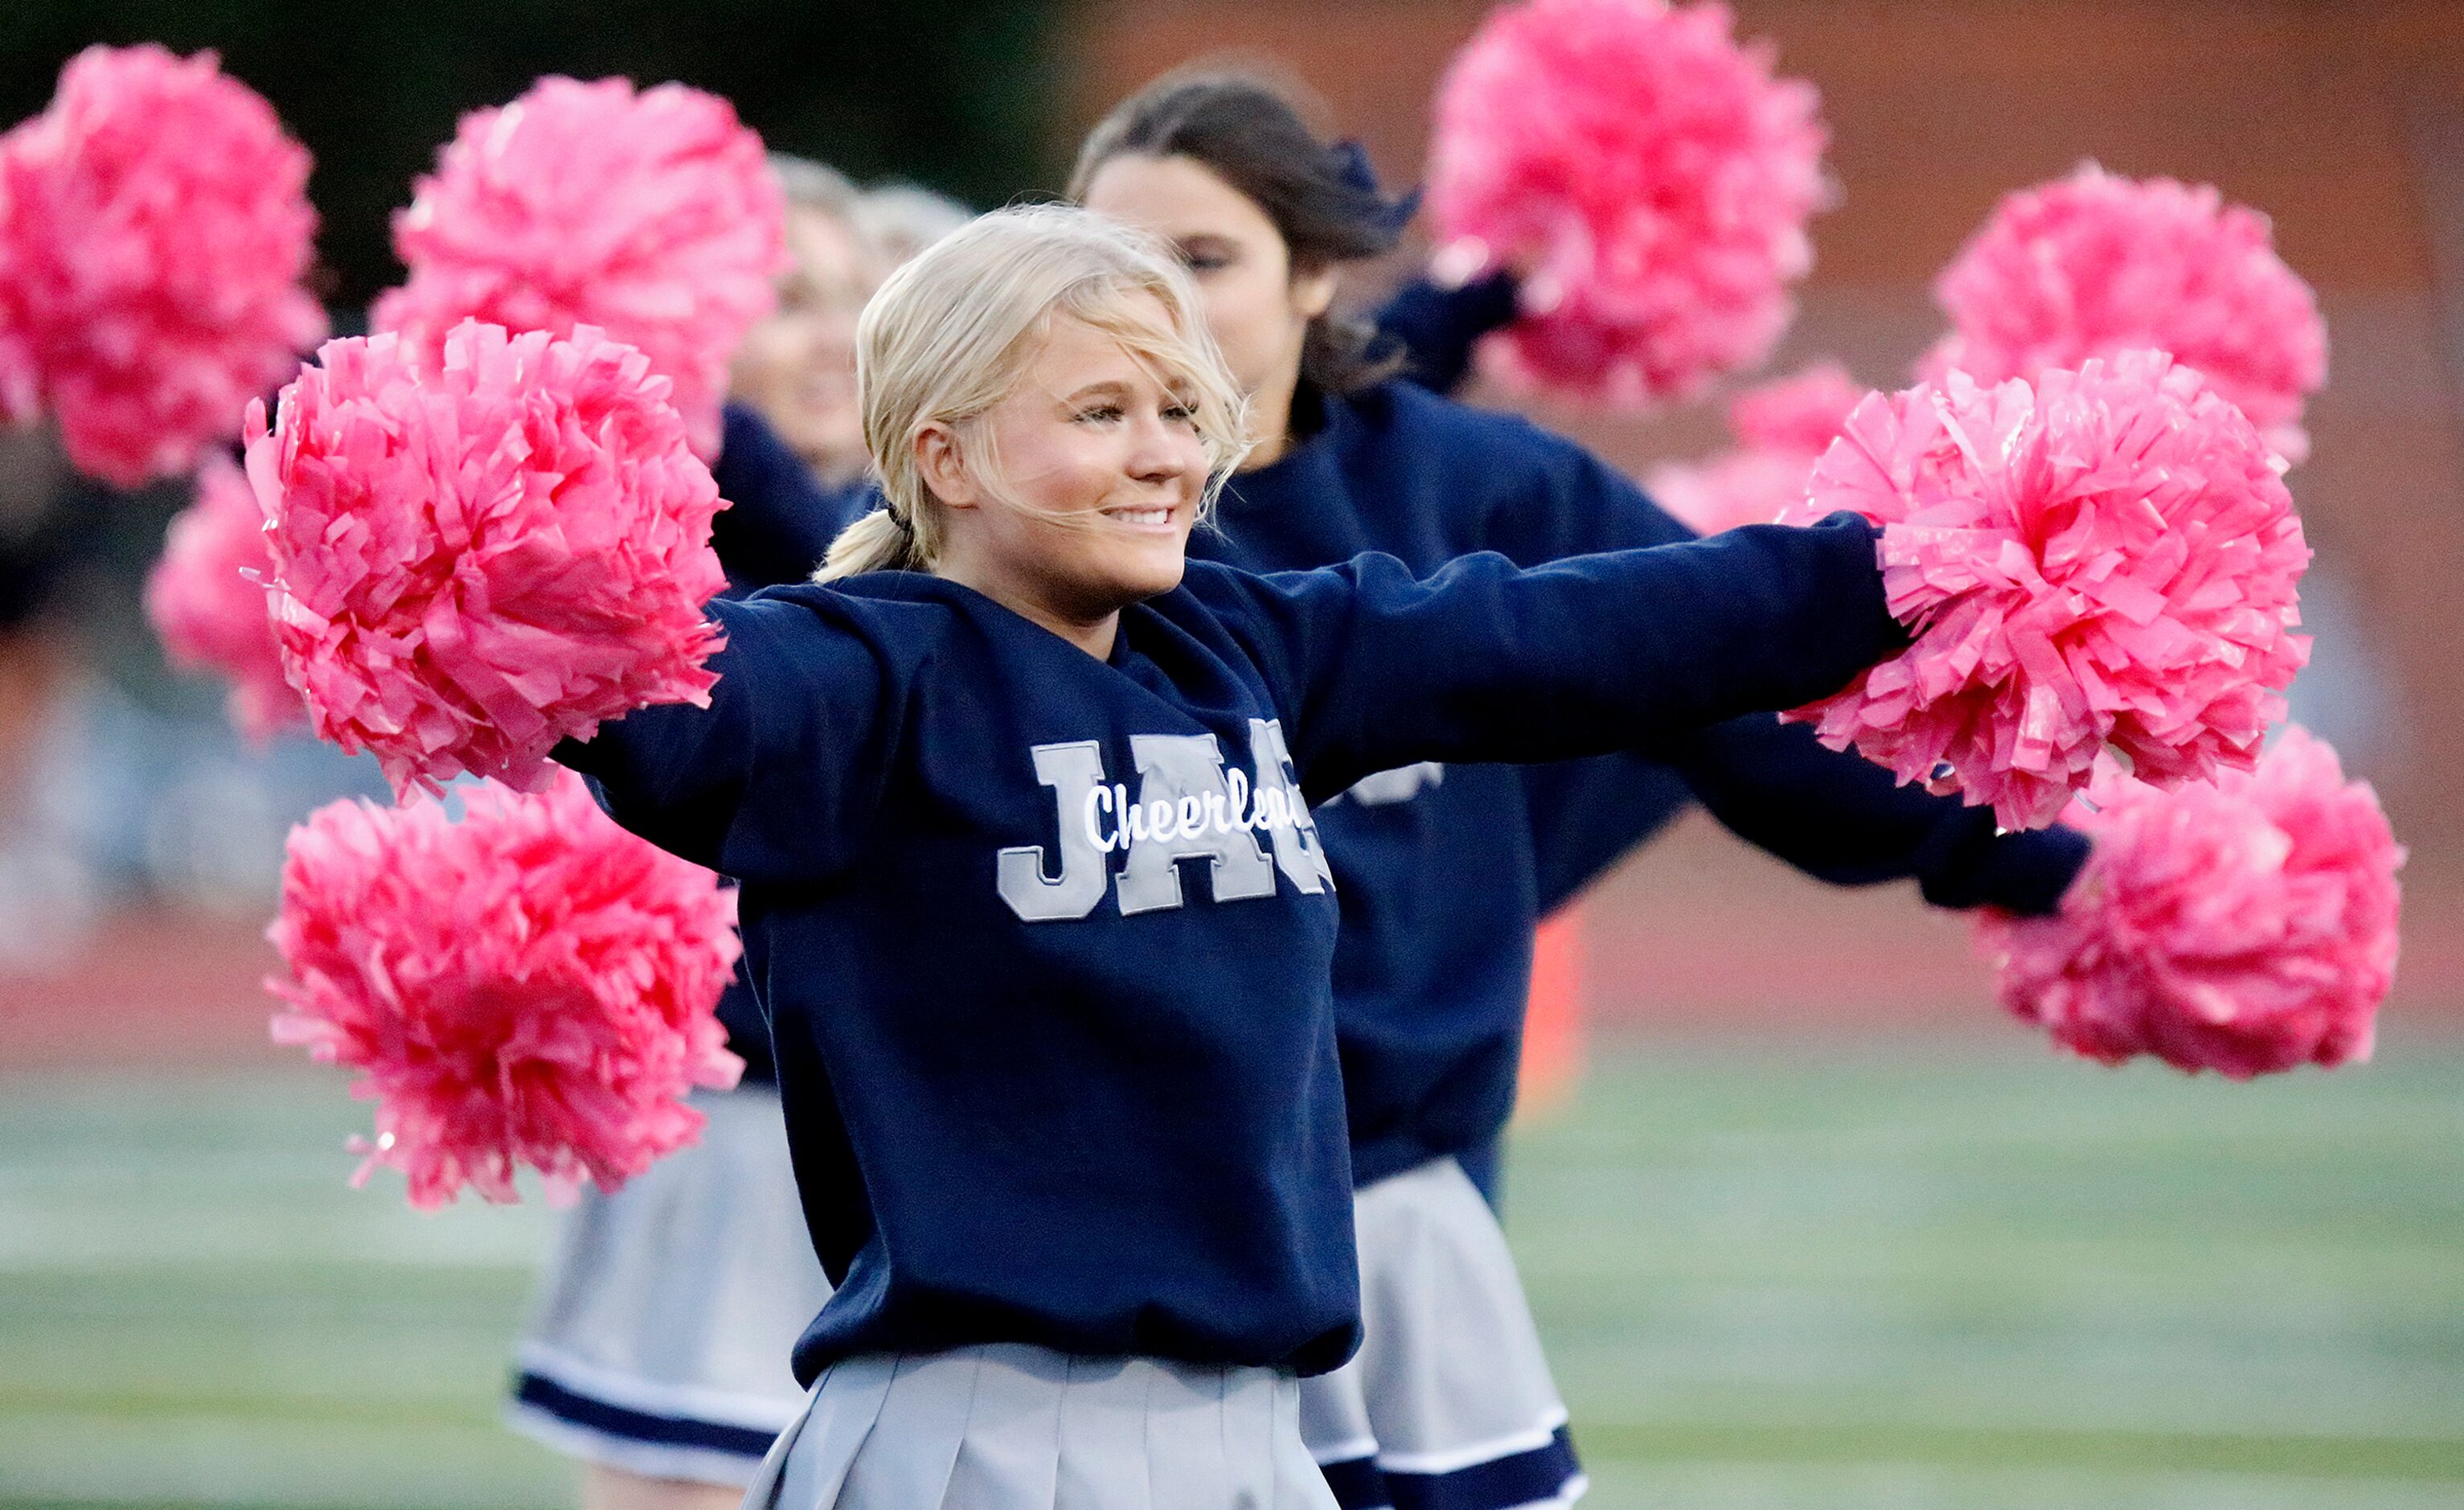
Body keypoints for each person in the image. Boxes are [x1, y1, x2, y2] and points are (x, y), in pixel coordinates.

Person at [537, 202, 1919, 1507]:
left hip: (1260, 1437)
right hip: (985, 1436)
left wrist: (1901, 572)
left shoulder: (1246, 648)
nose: (1165, 456)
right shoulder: (847, 679)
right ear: (944, 455)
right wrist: (473, 544)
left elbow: (1570, 633)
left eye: (1182, 412)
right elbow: (653, 702)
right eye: (1100, 413)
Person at [1071, 72, 2089, 1510]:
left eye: (1201, 260)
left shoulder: (1475, 489)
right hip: (1131, 1219)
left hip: (1400, 1191)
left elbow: (1730, 690)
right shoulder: (1040, 527)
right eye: (1112, 269)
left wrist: (2033, 863)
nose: (1153, 307)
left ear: (1312, 272)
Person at [506, 154, 937, 1510]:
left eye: (859, 301)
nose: (832, 338)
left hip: (917, 1141)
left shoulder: (946, 542)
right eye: (789, 298)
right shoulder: (643, 546)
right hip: (736, 1131)